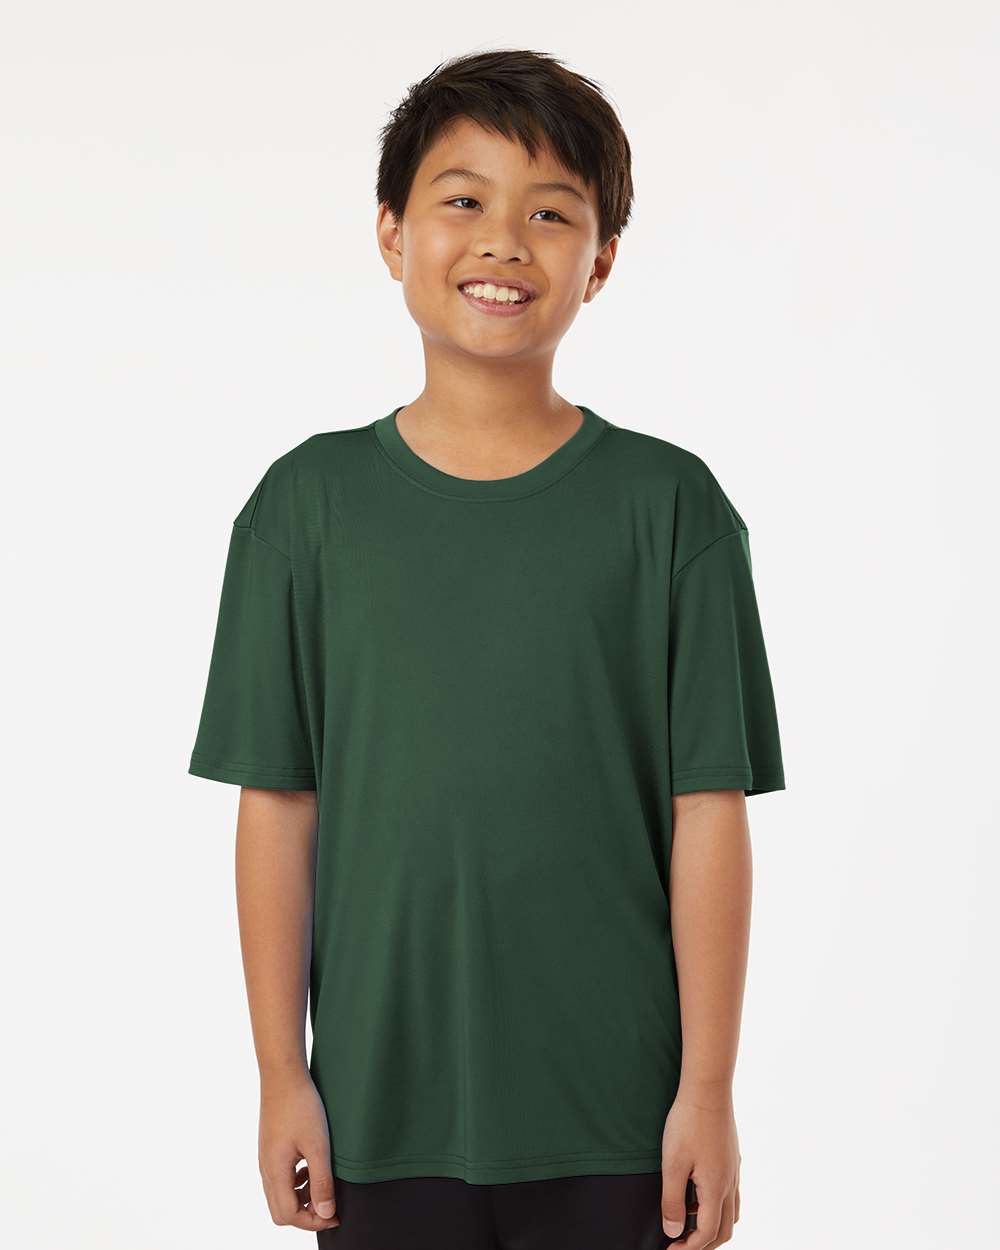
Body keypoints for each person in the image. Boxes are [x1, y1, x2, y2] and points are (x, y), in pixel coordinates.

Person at [188, 48, 786, 1250]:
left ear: (599, 261)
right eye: (463, 200)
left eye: (551, 213)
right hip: (377, 1114)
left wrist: (708, 1091)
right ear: (391, 231)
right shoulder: (302, 510)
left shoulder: (672, 510)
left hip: (615, 1116)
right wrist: (280, 1074)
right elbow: (279, 805)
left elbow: (707, 808)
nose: (504, 242)